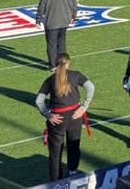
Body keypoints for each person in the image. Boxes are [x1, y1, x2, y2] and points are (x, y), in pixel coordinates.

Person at [35, 53, 95, 181]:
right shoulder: (76, 75)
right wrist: (83, 107)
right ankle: (73, 172)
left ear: (56, 64)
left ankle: (55, 181)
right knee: (73, 146)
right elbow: (91, 87)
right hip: (75, 116)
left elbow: (39, 101)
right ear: (68, 63)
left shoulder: (50, 80)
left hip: (57, 119)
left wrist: (48, 115)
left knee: (55, 154)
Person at [36, 0, 78, 70]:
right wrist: (73, 16)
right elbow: (74, 4)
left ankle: (53, 65)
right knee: (62, 43)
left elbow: (41, 8)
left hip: (51, 23)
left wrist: (38, 20)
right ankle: (62, 63)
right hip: (64, 22)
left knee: (51, 45)